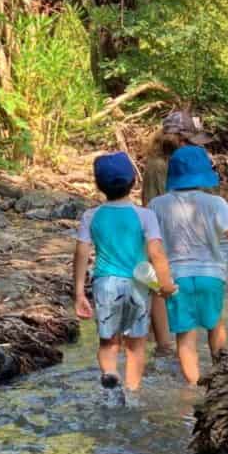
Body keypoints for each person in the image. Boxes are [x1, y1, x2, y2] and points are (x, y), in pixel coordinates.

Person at [149, 146, 228, 385]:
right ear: (204, 174)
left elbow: (151, 246)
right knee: (215, 324)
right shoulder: (216, 203)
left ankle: (194, 386)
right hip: (211, 275)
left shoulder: (156, 205)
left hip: (176, 278)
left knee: (185, 336)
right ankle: (221, 376)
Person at [74, 152, 176, 392]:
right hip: (137, 284)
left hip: (105, 284)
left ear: (99, 185)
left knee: (108, 342)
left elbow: (81, 253)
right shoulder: (145, 215)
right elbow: (157, 253)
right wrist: (166, 283)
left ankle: (110, 374)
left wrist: (79, 293)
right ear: (133, 181)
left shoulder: (91, 215)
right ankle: (131, 391)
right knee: (135, 345)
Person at [141, 109, 213, 355]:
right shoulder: (158, 166)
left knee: (165, 288)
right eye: (191, 140)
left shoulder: (173, 162)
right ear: (178, 139)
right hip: (162, 235)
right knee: (159, 287)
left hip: (174, 233)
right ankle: (164, 346)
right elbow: (152, 204)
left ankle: (161, 341)